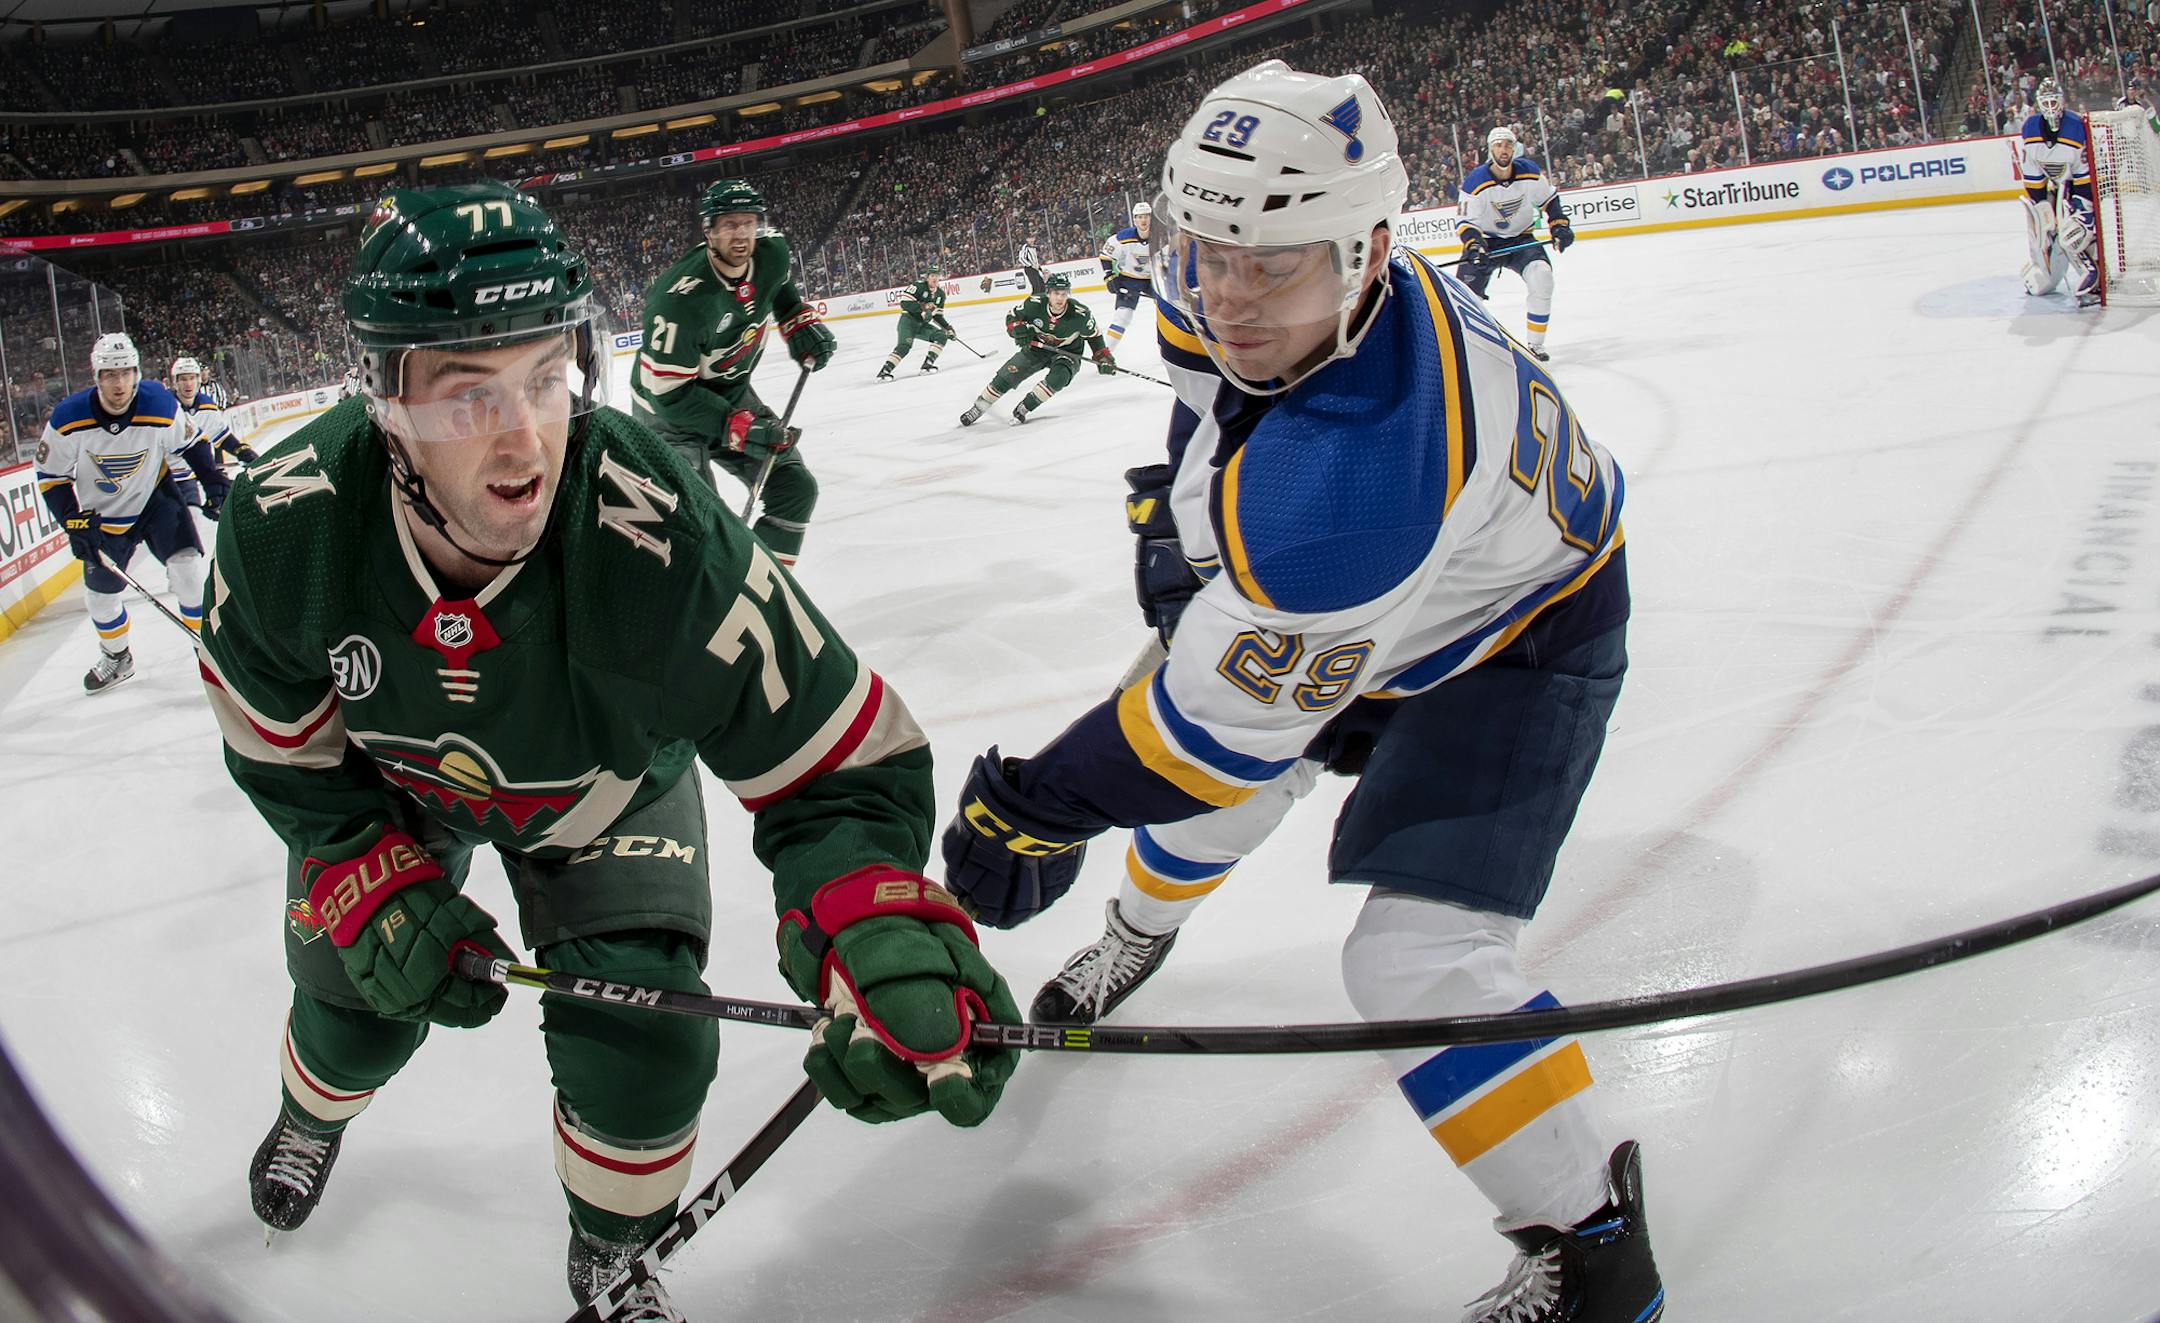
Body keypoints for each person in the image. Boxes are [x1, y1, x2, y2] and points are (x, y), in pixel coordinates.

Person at [200, 182, 1018, 1320]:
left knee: (648, 1060)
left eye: (544, 376)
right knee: (351, 998)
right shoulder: (288, 520)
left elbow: (833, 760)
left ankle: (610, 1246)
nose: (525, 437)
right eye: (465, 395)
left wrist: (863, 903)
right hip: (400, 791)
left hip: (603, 793)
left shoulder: (658, 526)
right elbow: (271, 727)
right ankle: (314, 1112)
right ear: (383, 399)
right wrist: (354, 856)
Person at [937, 63, 1661, 1322]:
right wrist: (1191, 534)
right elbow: (1210, 396)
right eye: (1204, 250)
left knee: (1417, 963)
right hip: (1424, 575)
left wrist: (1033, 806)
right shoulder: (1260, 281)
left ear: (1372, 249)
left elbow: (1201, 738)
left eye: (1268, 265)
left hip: (1516, 635)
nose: (1224, 293)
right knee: (1222, 785)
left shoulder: (1358, 487)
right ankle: (1138, 936)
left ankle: (1593, 1248)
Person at [630, 178, 837, 566]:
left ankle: (770, 589)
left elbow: (778, 285)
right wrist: (738, 427)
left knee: (795, 487)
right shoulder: (680, 299)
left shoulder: (772, 252)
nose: (741, 234)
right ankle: (711, 602)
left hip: (729, 392)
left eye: (748, 223)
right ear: (708, 230)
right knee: (701, 526)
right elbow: (669, 394)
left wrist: (795, 318)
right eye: (728, 225)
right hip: (666, 415)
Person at [35, 332, 226, 693]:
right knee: (101, 598)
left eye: (125, 373)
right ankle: (117, 656)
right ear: (96, 377)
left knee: (187, 571)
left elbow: (193, 442)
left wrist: (212, 483)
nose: (119, 383)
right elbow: (50, 475)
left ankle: (210, 653)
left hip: (156, 500)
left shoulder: (158, 403)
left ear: (137, 373)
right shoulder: (68, 417)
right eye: (109, 374)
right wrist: (72, 520)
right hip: (102, 515)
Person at [1455, 125, 1574, 359]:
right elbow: (1465, 222)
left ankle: (1536, 345)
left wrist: (1560, 224)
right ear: (1490, 149)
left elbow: (1549, 200)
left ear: (1514, 148)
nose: (1504, 149)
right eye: (1499, 145)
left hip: (1522, 239)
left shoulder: (1529, 171)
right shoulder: (1475, 181)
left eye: (1508, 144)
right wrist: (1475, 245)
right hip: (1487, 243)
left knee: (1542, 276)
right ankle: (1468, 349)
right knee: (1465, 297)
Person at [957, 273, 1114, 426]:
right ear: (1048, 293)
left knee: (1058, 378)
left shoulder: (1081, 314)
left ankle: (1025, 407)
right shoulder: (1034, 303)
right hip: (1037, 348)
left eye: (1064, 293)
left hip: (1068, 352)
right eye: (1055, 293)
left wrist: (1103, 357)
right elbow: (1012, 317)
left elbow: (1095, 336)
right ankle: (978, 408)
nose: (1060, 298)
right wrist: (1016, 329)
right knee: (1007, 374)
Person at [2020, 78, 2101, 305]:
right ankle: (2043, 270)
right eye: (2046, 102)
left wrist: (2081, 206)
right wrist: (2043, 205)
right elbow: (2034, 178)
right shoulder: (2030, 129)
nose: (2051, 108)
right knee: (2043, 233)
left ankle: (2094, 273)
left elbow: (2083, 177)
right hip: (2056, 189)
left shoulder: (2076, 127)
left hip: (2077, 187)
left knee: (2075, 230)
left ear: (2062, 101)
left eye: (2054, 102)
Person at [172, 355, 258, 467]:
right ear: (176, 382)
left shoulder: (207, 406)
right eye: (183, 379)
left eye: (192, 378)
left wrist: (241, 451)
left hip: (199, 473)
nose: (188, 384)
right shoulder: (163, 407)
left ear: (197, 380)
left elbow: (222, 437)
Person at [877, 264, 954, 379]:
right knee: (904, 346)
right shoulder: (918, 286)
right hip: (908, 322)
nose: (935, 278)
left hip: (922, 325)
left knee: (941, 336)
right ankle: (884, 372)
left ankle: (927, 365)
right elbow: (905, 303)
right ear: (927, 277)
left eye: (937, 276)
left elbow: (937, 316)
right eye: (932, 275)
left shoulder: (940, 295)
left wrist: (948, 328)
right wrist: (923, 308)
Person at [1096, 202, 1153, 349]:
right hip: (1129, 279)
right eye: (1140, 217)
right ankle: (1105, 354)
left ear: (1151, 218)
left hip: (1156, 280)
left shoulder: (1162, 235)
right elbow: (1106, 256)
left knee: (1170, 313)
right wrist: (1109, 276)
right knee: (1123, 316)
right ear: (1134, 220)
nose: (1143, 220)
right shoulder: (1122, 238)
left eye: (1146, 216)